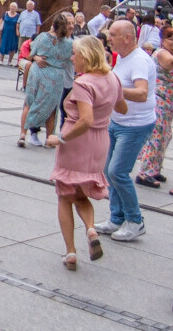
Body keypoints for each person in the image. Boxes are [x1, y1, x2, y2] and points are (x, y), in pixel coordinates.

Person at [46, 36, 125, 269]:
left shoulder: (83, 83)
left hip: (77, 142)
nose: (72, 58)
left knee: (64, 195)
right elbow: (122, 107)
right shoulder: (112, 77)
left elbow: (85, 120)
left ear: (86, 56)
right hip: (100, 142)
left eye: (75, 54)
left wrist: (60, 138)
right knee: (81, 194)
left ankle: (70, 252)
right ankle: (91, 229)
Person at [94, 20, 158, 242]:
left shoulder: (139, 60)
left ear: (127, 38)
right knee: (109, 170)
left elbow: (141, 93)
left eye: (112, 34)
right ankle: (117, 217)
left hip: (134, 125)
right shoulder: (123, 57)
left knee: (118, 171)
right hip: (118, 122)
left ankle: (135, 220)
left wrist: (114, 89)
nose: (108, 38)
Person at [135, 27, 173, 187]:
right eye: (171, 39)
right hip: (159, 102)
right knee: (156, 135)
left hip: (168, 105)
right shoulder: (161, 53)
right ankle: (145, 172)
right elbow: (171, 62)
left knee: (165, 135)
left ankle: (154, 169)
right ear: (162, 40)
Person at [18, 14, 73, 147]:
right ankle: (49, 139)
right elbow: (69, 59)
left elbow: (30, 54)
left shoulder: (42, 37)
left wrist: (36, 57)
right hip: (56, 76)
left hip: (38, 72)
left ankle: (22, 134)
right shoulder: (68, 43)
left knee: (29, 103)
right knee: (52, 107)